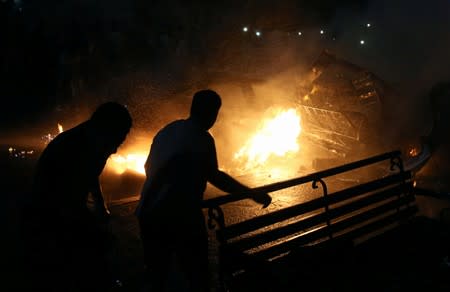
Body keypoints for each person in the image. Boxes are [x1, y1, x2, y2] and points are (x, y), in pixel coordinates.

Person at [135, 89, 272, 292]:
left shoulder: (168, 130)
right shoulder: (202, 139)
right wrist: (252, 194)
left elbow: (148, 167)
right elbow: (215, 176)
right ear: (212, 113)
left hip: (148, 211)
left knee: (158, 274)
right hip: (180, 216)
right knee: (197, 274)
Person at [21, 102, 132, 291]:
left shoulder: (97, 142)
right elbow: (63, 202)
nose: (114, 150)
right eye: (115, 141)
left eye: (119, 143)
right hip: (49, 215)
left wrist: (99, 203)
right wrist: (92, 228)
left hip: (66, 208)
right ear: (103, 129)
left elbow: (91, 175)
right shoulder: (70, 149)